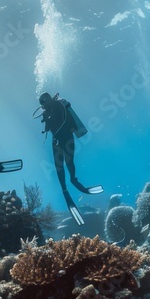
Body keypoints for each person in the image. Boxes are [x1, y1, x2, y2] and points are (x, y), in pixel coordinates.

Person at [38, 92, 103, 225]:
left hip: (65, 137)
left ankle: (73, 180)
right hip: (57, 140)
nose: (43, 106)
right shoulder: (49, 111)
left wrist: (49, 120)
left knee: (68, 162)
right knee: (59, 166)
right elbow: (48, 128)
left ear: (47, 100)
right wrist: (46, 119)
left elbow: (62, 121)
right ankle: (65, 188)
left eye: (43, 103)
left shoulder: (57, 105)